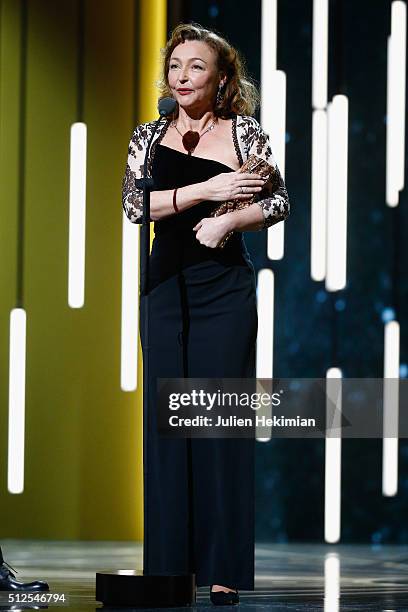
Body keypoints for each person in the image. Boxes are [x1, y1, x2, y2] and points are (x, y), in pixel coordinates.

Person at [122, 23, 290, 606]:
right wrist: (205, 193)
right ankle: (170, 568)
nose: (182, 75)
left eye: (197, 66)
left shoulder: (245, 132)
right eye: (175, 65)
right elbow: (134, 204)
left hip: (224, 294)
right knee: (168, 427)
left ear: (221, 80)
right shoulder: (148, 137)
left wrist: (226, 219)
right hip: (165, 292)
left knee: (217, 425)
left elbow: (276, 200)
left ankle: (221, 567)